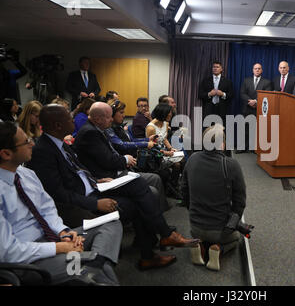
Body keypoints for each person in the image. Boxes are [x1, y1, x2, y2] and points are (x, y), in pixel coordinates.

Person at [27, 105, 197, 269]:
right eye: (70, 119)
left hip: (95, 187)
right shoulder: (43, 151)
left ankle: (157, 245)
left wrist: (95, 180)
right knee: (140, 196)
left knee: (140, 188)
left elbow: (80, 170)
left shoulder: (60, 144)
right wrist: (95, 204)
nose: (74, 120)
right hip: (81, 203)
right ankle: (159, 243)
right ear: (58, 125)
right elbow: (57, 194)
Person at [0, 121, 123, 285]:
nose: (32, 144)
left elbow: (47, 209)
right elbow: (8, 252)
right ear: (6, 153)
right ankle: (91, 263)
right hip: (26, 260)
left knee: (111, 224)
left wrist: (63, 232)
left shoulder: (26, 174)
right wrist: (59, 248)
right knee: (89, 271)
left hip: (51, 239)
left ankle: (92, 261)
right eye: (26, 142)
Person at [73, 102, 169, 211]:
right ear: (99, 119)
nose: (112, 119)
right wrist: (126, 159)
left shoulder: (101, 128)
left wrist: (147, 140)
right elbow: (116, 151)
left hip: (117, 169)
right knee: (152, 183)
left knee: (155, 179)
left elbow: (128, 142)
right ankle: (155, 217)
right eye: (110, 116)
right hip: (109, 176)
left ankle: (158, 215)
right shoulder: (92, 132)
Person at [181, 124, 246, 271]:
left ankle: (200, 244)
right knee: (236, 238)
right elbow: (240, 202)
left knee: (202, 233)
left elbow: (184, 191)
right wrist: (231, 226)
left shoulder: (192, 159)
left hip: (195, 226)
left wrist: (192, 210)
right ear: (222, 145)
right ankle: (218, 249)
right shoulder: (232, 165)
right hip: (220, 230)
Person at [146, 103, 184, 199]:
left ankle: (173, 186)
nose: (171, 115)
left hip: (164, 152)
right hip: (155, 156)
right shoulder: (151, 127)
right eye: (169, 114)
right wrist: (166, 153)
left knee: (183, 161)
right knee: (178, 164)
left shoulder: (166, 124)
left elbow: (164, 139)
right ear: (163, 113)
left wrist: (171, 148)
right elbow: (150, 147)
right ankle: (172, 188)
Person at [238, 63, 273, 153]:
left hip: (260, 109)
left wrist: (256, 101)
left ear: (262, 70)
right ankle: (242, 147)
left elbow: (267, 95)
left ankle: (254, 149)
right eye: (255, 68)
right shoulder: (246, 80)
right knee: (245, 129)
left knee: (258, 130)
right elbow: (242, 93)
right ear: (253, 70)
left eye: (259, 68)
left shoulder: (267, 82)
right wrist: (250, 101)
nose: (257, 70)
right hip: (247, 107)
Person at [198, 61, 234, 126]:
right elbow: (200, 94)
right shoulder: (205, 80)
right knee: (207, 132)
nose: (215, 68)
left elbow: (231, 95)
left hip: (222, 110)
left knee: (220, 132)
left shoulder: (227, 81)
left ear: (221, 69)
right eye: (214, 67)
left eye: (217, 67)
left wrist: (223, 94)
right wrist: (209, 94)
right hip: (208, 110)